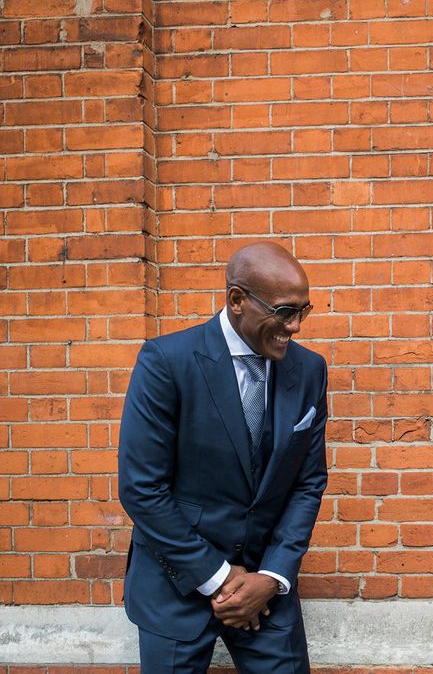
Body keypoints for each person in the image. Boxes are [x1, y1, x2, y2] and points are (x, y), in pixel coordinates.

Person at [118, 242, 328, 673]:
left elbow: (308, 483)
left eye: (302, 312)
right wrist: (222, 579)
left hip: (266, 589)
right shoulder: (166, 362)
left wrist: (271, 578)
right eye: (285, 311)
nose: (295, 327)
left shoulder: (309, 370)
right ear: (237, 300)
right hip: (173, 584)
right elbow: (142, 490)